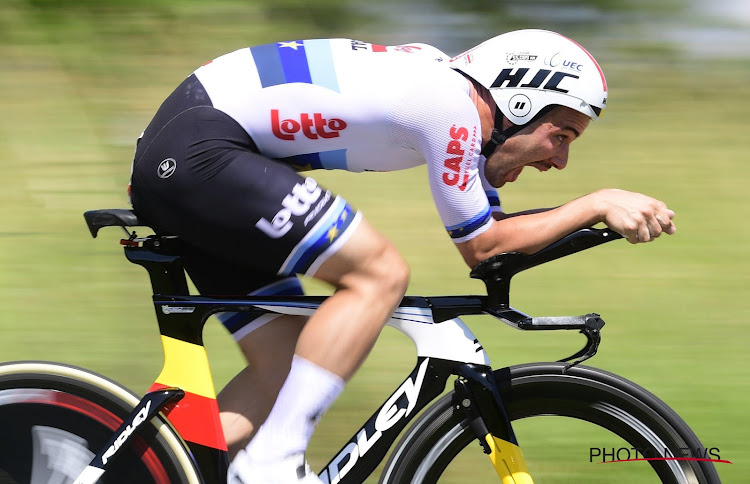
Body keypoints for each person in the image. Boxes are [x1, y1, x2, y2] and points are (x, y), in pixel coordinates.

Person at [128, 29, 676, 483]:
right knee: (379, 274)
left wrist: (592, 219)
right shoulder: (449, 109)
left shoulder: (450, 100)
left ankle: (150, 474)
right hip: (199, 152)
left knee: (285, 367)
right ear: (519, 101)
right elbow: (483, 247)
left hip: (202, 154)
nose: (559, 161)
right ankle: (271, 465)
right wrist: (597, 202)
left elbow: (499, 240)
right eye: (561, 136)